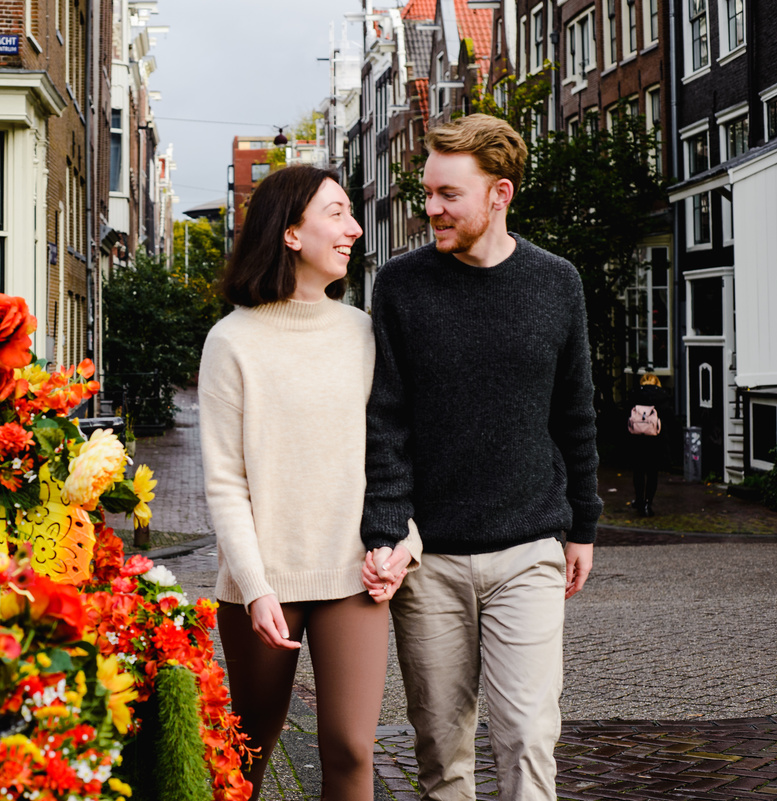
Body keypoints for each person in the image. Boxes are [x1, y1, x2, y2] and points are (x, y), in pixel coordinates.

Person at [361, 114, 603, 801]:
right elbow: (385, 419)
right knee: (442, 752)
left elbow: (575, 412)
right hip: (430, 560)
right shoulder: (401, 286)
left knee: (527, 737)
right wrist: (386, 528)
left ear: (500, 194)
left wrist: (583, 523)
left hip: (528, 549)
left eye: (448, 195)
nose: (430, 208)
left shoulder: (557, 283)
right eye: (427, 192)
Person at [198, 164, 423, 801]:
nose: (354, 228)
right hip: (262, 588)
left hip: (355, 575)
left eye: (353, 214)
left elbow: (394, 454)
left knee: (353, 749)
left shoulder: (363, 333)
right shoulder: (232, 341)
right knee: (248, 753)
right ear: (291, 232)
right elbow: (224, 482)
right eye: (337, 212)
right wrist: (256, 587)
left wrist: (404, 543)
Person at [627, 372, 671, 516]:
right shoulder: (663, 396)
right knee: (652, 473)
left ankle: (639, 500)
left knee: (638, 472)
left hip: (637, 440)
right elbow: (667, 419)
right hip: (655, 441)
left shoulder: (635, 394)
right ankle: (648, 503)